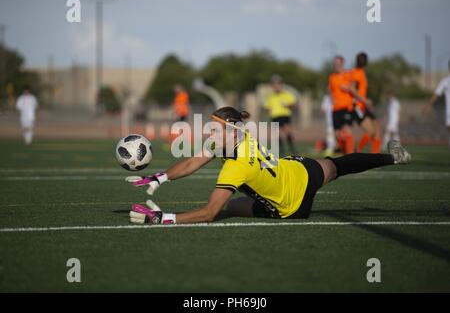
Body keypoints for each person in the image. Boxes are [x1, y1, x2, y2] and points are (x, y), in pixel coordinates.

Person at [126, 107, 411, 225]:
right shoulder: (240, 138)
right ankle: (394, 157)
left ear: (232, 131)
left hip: (290, 209)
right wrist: (160, 177)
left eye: (215, 128)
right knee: (338, 165)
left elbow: (209, 212)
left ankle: (392, 157)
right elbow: (191, 162)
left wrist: (163, 217)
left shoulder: (235, 167)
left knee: (227, 209)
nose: (209, 133)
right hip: (301, 173)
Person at [349, 52, 382, 153]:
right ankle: (357, 151)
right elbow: (352, 89)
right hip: (357, 107)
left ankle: (375, 158)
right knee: (370, 131)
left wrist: (366, 103)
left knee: (377, 130)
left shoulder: (361, 72)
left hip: (363, 106)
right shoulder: (356, 72)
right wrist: (365, 101)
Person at [264, 75, 297, 156]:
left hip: (285, 115)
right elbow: (267, 107)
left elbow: (294, 105)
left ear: (281, 85)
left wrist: (288, 106)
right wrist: (268, 109)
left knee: (288, 132)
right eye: (274, 84)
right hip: (275, 116)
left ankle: (292, 149)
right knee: (277, 134)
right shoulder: (271, 96)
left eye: (278, 84)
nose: (276, 86)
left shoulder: (287, 95)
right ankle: (281, 151)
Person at [328, 56, 354, 154]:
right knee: (337, 134)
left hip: (347, 107)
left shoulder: (349, 74)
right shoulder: (332, 76)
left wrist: (348, 88)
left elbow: (355, 87)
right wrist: (332, 98)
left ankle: (350, 155)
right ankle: (345, 153)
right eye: (335, 64)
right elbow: (330, 89)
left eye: (338, 63)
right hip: (336, 108)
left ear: (343, 63)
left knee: (347, 131)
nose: (337, 66)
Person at [424, 60, 450, 148]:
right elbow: (436, 94)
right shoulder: (445, 81)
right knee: (448, 127)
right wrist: (428, 105)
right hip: (449, 111)